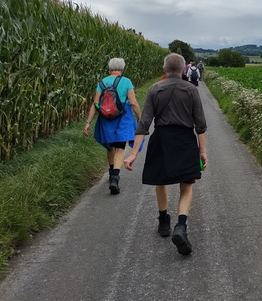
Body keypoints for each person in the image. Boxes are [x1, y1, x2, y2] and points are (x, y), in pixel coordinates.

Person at [124, 53, 208, 256]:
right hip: (185, 139)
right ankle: (181, 226)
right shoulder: (191, 89)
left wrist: (134, 152)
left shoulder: (154, 89)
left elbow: (144, 123)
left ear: (164, 69)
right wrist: (202, 151)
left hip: (161, 138)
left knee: (160, 180)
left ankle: (163, 222)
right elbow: (201, 125)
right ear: (182, 70)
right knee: (186, 185)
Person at [84, 58, 141, 194]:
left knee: (111, 146)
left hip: (106, 117)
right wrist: (140, 116)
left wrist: (88, 123)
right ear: (122, 68)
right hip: (123, 116)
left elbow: (95, 103)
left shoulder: (102, 82)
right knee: (120, 147)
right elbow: (133, 102)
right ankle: (115, 177)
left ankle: (111, 173)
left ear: (109, 68)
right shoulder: (126, 81)